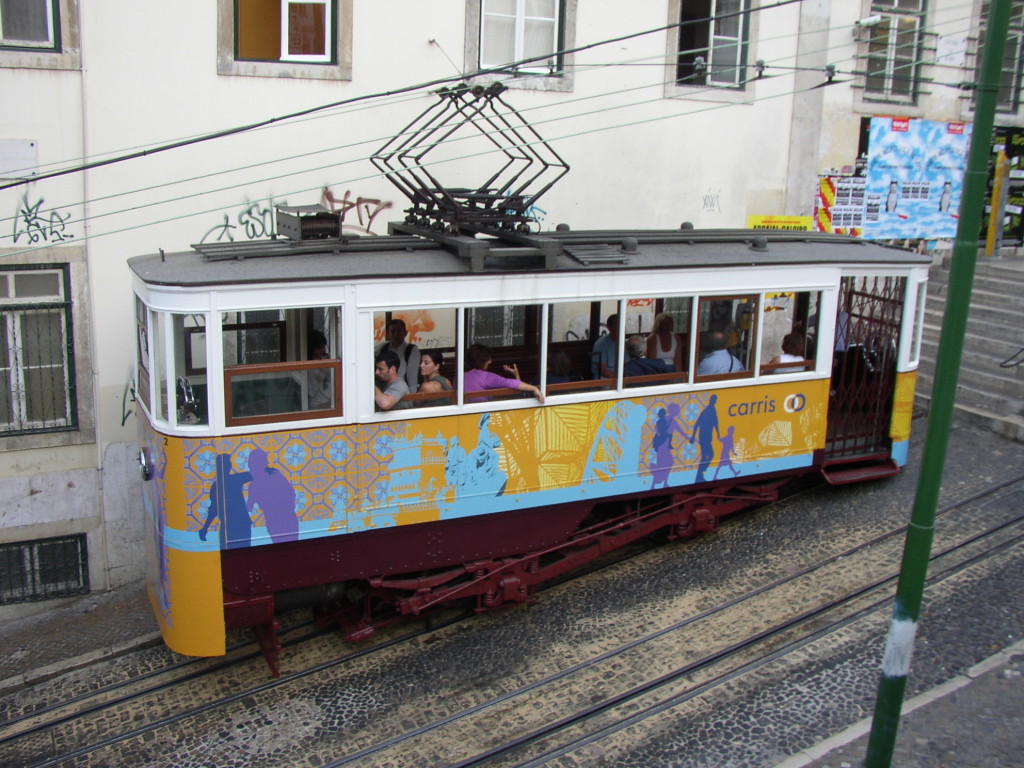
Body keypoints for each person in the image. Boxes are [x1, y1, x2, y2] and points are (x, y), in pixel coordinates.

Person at [463, 343, 545, 404]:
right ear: (480, 360)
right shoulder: (485, 377)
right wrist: (534, 388)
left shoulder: (459, 377)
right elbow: (511, 383)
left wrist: (516, 375)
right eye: (487, 359)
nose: (490, 361)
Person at [376, 318, 420, 393]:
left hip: (401, 391)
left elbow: (412, 377)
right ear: (388, 334)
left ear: (405, 333)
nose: (396, 334)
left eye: (399, 331)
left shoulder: (411, 350)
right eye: (392, 331)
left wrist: (412, 398)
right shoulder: (383, 347)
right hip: (382, 389)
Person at [306, 330, 333, 410]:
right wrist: (320, 375)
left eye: (324, 346)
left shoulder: (327, 359)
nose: (323, 350)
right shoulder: (308, 366)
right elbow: (311, 392)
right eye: (319, 348)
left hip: (332, 398)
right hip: (318, 402)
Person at [591, 313, 619, 379]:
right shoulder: (601, 344)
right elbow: (603, 371)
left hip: (623, 377)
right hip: (604, 378)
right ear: (610, 328)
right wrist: (620, 379)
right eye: (617, 326)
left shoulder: (624, 343)